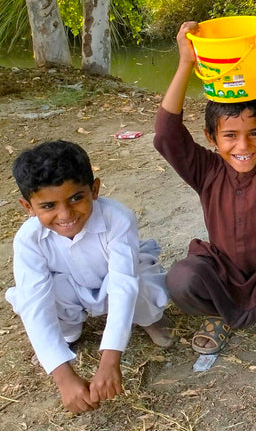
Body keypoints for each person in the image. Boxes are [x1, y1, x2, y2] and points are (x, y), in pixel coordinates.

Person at [154, 19, 256, 354]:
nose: (242, 146)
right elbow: (167, 135)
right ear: (211, 138)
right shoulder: (206, 171)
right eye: (230, 135)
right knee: (181, 278)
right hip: (225, 275)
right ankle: (215, 313)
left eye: (254, 133)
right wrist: (186, 63)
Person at [6, 141, 173, 413]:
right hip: (71, 291)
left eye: (75, 198)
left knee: (138, 280)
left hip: (112, 282)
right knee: (34, 299)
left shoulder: (118, 218)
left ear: (94, 189)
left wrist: (110, 361)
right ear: (28, 207)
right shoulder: (28, 239)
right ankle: (68, 336)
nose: (66, 215)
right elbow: (36, 303)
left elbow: (122, 283)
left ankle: (149, 318)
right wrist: (63, 377)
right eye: (49, 205)